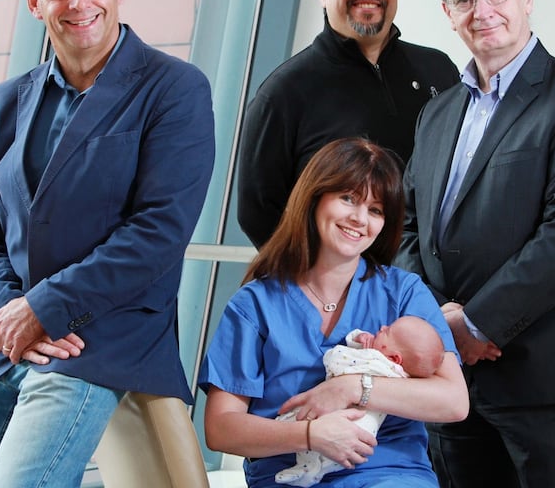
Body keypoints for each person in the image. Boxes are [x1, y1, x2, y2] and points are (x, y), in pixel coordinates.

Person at [0, 0, 215, 487]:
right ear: (35, 2)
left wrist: (44, 309)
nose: (79, 2)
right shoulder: (5, 104)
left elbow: (157, 233)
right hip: (9, 334)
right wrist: (11, 315)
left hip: (102, 334)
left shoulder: (176, 89)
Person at [394, 0, 555, 488]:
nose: (484, 10)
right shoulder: (437, 112)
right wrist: (436, 324)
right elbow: (406, 227)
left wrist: (477, 322)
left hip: (544, 379)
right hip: (448, 380)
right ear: (448, 14)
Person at [200, 137, 469, 488]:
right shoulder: (255, 305)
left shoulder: (404, 292)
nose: (360, 218)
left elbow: (454, 401)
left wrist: (353, 387)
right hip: (291, 478)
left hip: (390, 475)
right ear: (315, 198)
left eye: (375, 210)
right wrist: (311, 434)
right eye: (348, 199)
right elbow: (221, 429)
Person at [236, 0, 460, 248]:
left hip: (430, 285)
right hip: (339, 289)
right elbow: (257, 211)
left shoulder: (438, 71)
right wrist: (318, 277)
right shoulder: (284, 92)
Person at [275, 316, 445, 487]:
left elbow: (337, 359)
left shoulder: (378, 363)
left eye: (388, 332)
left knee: (299, 420)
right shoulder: (400, 377)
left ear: (394, 358)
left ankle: (307, 468)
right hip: (363, 436)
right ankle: (310, 470)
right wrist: (363, 339)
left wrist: (356, 341)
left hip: (348, 423)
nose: (383, 327)